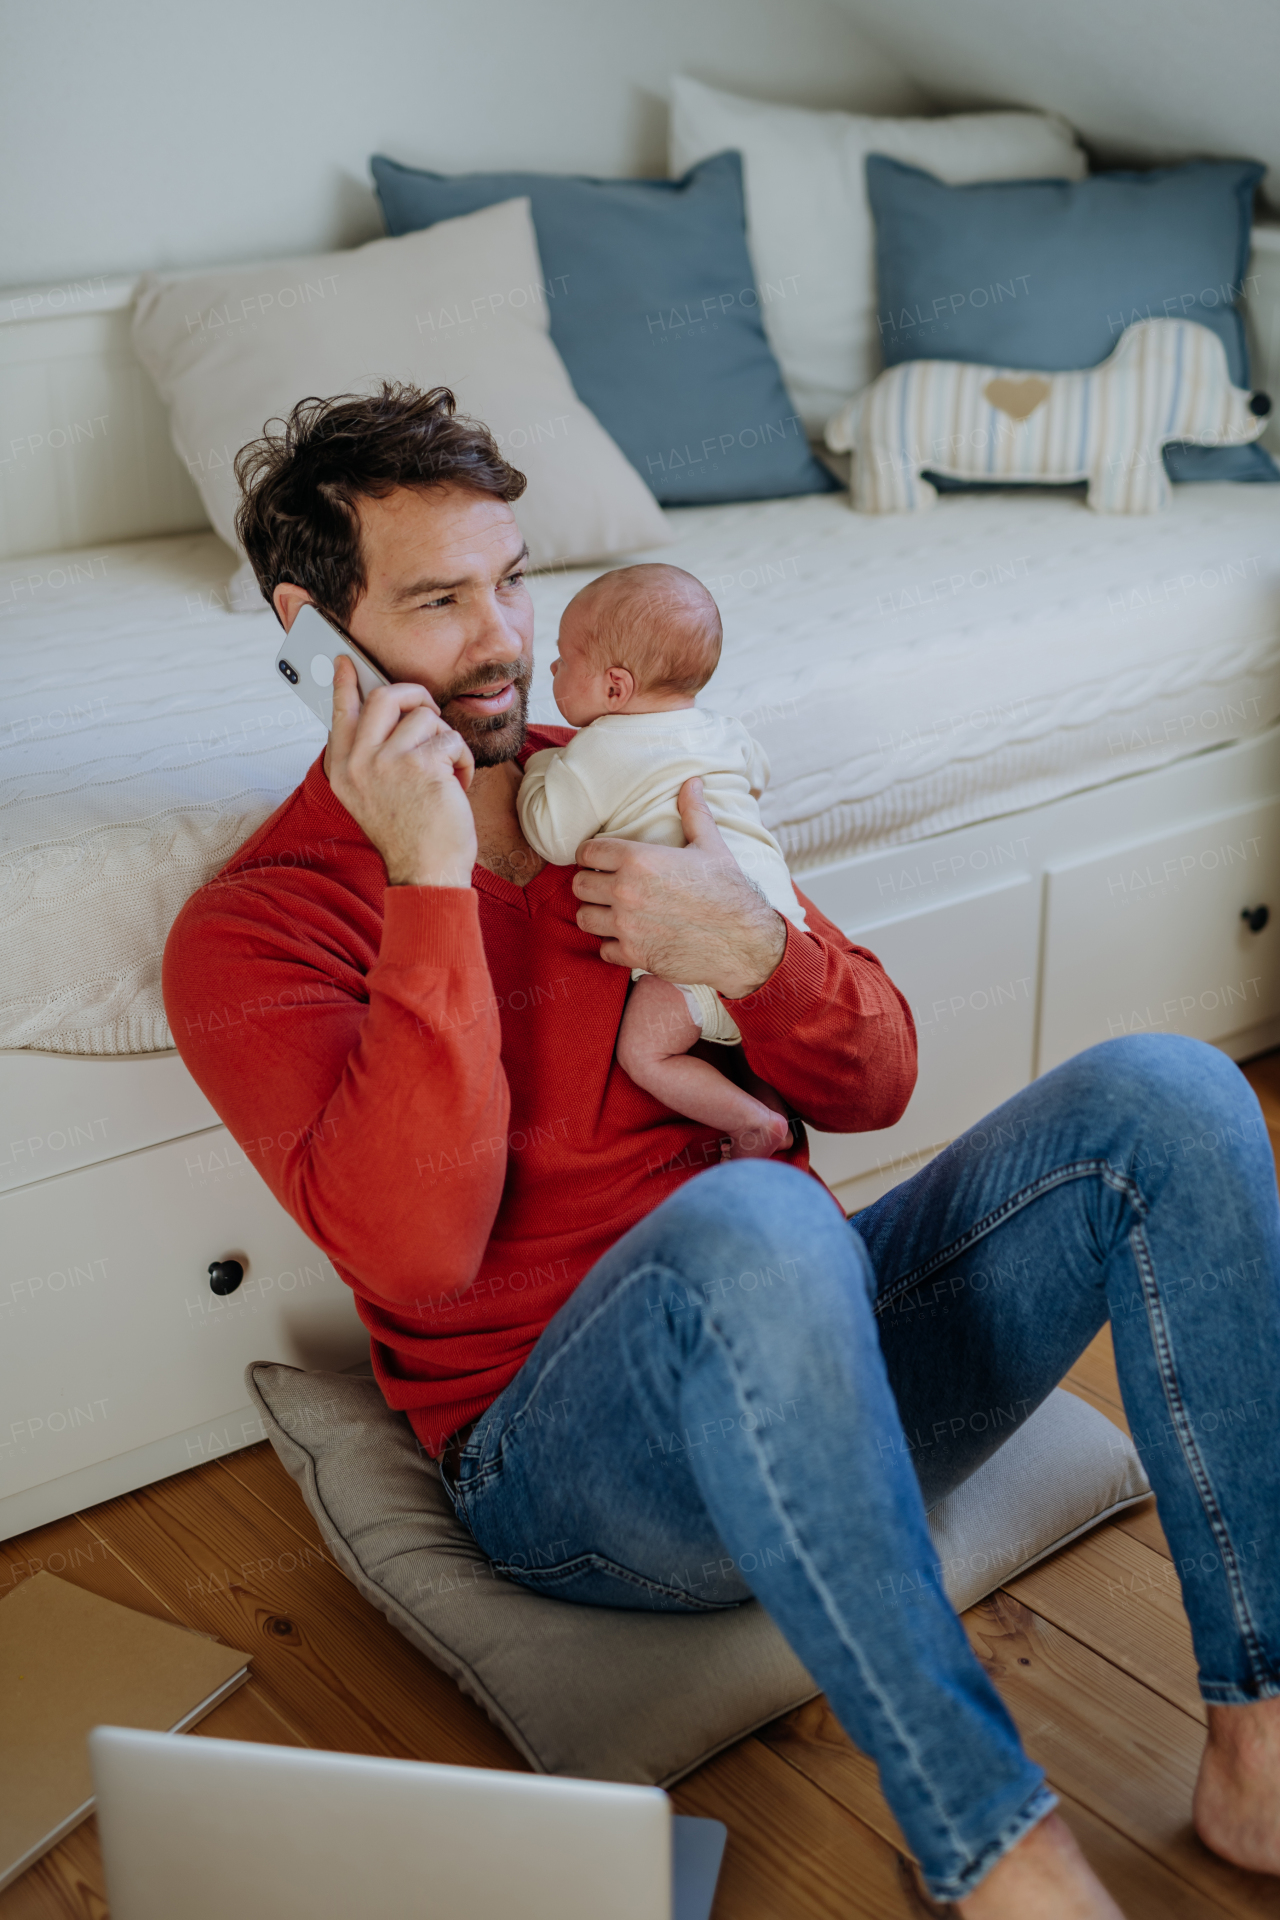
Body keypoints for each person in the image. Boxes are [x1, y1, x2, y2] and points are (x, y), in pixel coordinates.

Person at [163, 382, 1280, 1918]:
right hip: (578, 1473)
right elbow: (419, 1247)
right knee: (756, 1220)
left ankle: (1261, 1731)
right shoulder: (257, 929)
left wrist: (758, 948)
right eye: (438, 601)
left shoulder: (619, 765)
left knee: (1174, 1091)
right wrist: (428, 877)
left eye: (513, 579)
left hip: (830, 1354)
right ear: (313, 631)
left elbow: (878, 1076)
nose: (501, 641)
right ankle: (992, 1845)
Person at [517, 561, 805, 1158]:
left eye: (565, 659)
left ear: (615, 689)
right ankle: (774, 1116)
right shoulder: (722, 728)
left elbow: (550, 835)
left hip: (690, 959)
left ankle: (756, 1127)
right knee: (749, 1055)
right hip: (780, 930)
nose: (551, 668)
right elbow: (758, 774)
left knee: (646, 1053)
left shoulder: (598, 751)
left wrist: (544, 767)